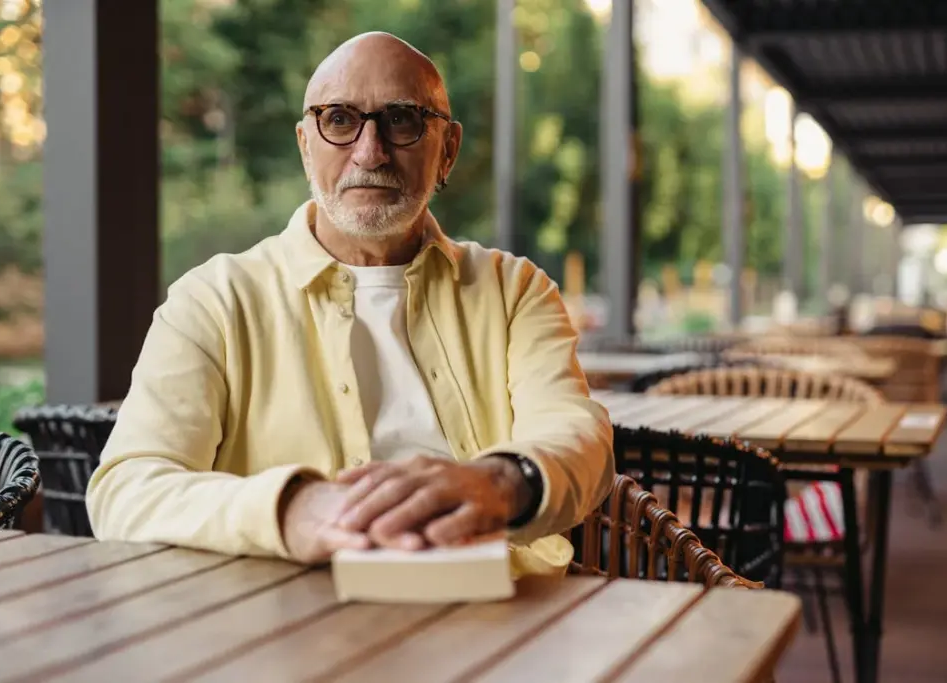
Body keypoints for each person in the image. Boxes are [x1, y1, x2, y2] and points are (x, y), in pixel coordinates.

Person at [85, 32, 614, 577]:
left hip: (504, 614)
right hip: (284, 631)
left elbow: (578, 435)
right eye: (339, 120)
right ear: (304, 144)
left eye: (403, 120)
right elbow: (125, 491)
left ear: (447, 150)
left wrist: (502, 480)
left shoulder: (514, 290)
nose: (370, 152)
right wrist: (289, 509)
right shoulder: (214, 300)